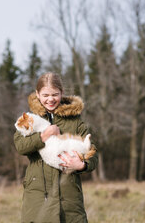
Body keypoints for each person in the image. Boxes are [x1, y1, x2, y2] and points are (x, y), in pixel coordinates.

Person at [14, 72, 98, 223]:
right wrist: (42, 136)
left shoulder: (75, 121)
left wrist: (82, 165)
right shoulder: (29, 120)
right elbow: (20, 146)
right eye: (45, 95)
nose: (50, 99)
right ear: (37, 94)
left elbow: (93, 155)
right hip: (37, 195)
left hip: (69, 196)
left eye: (55, 94)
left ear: (62, 93)